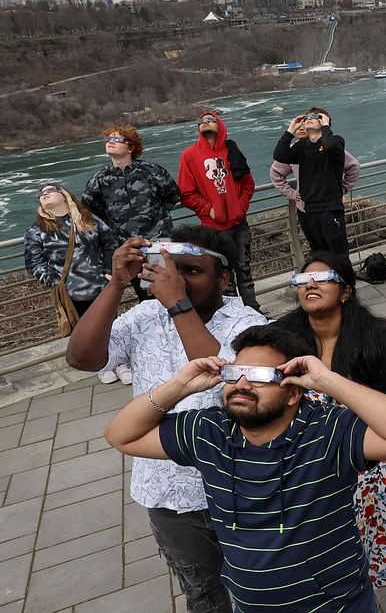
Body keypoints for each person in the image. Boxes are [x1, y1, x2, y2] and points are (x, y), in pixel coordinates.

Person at [104, 325, 386, 612]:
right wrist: (179, 385)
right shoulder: (209, 432)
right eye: (234, 373)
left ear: (292, 393)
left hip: (337, 606)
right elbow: (120, 435)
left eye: (259, 376)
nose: (242, 383)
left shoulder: (327, 432)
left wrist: (327, 380)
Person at [66, 225, 266, 613]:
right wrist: (116, 286)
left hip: (239, 486)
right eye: (170, 271)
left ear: (224, 277)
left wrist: (178, 305)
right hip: (167, 492)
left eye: (191, 272)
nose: (177, 281)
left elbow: (227, 380)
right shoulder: (144, 315)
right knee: (202, 591)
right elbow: (82, 358)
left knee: (257, 585)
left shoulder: (248, 323)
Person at [273, 253, 386, 613]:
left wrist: (381, 419)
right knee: (338, 535)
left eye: (322, 278)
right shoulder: (284, 336)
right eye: (303, 280)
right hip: (317, 457)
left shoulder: (376, 335)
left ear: (345, 291)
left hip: (381, 458)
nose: (310, 284)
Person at [23, 182, 124, 383]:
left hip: (100, 286)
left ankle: (121, 362)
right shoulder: (37, 230)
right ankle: (102, 366)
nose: (44, 194)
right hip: (70, 293)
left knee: (111, 325)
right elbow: (34, 261)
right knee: (85, 330)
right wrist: (54, 283)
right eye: (41, 194)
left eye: (50, 190)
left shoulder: (88, 219)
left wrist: (108, 271)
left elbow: (109, 243)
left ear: (65, 195)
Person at [82, 125, 180, 300]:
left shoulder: (152, 171)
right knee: (144, 294)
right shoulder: (99, 180)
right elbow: (90, 212)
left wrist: (157, 220)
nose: (110, 142)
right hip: (128, 247)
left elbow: (172, 195)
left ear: (131, 147)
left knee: (165, 291)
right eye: (108, 139)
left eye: (117, 139)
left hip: (157, 242)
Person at [178, 111, 259, 310]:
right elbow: (187, 193)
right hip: (212, 228)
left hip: (239, 225)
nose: (206, 123)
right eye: (201, 121)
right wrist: (208, 210)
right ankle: (232, 313)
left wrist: (240, 207)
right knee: (224, 275)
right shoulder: (190, 155)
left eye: (211, 120)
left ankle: (253, 311)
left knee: (244, 271)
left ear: (220, 125)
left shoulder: (232, 150)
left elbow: (248, 184)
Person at [272, 107, 350, 257]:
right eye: (307, 117)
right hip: (309, 209)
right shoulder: (301, 147)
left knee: (338, 253)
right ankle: (326, 280)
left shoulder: (336, 141)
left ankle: (345, 280)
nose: (309, 118)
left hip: (330, 208)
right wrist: (290, 130)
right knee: (319, 253)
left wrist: (326, 125)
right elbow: (280, 155)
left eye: (315, 117)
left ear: (324, 121)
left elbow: (329, 146)